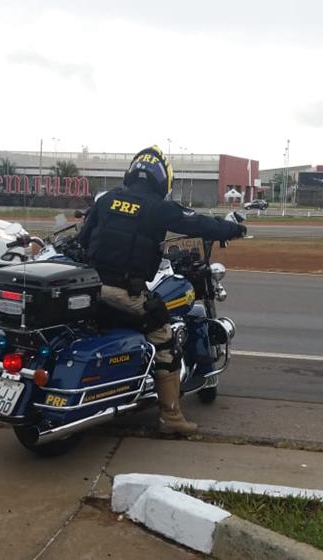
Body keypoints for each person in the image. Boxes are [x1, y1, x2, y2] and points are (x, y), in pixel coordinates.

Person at [79, 145, 246, 435]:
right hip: (125, 294)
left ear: (131, 173)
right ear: (162, 179)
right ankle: (171, 418)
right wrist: (233, 229)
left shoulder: (107, 201)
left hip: (90, 289)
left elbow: (82, 240)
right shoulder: (158, 208)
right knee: (165, 338)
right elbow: (199, 223)